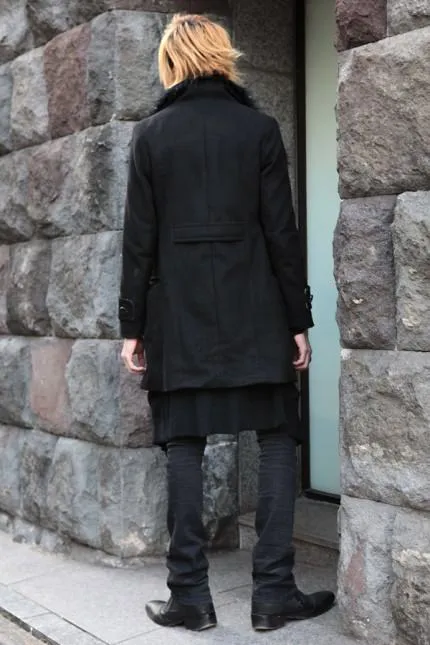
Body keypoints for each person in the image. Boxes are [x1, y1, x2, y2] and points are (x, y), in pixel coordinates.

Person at [118, 13, 335, 633]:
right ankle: (273, 594)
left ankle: (189, 595)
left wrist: (132, 327)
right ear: (223, 56)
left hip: (179, 318)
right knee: (277, 439)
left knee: (183, 444)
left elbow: (138, 241)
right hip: (257, 312)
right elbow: (282, 234)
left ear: (172, 62)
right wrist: (298, 320)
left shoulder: (151, 135)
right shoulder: (259, 129)